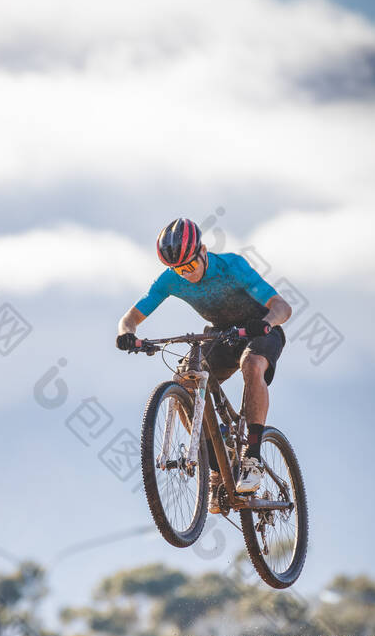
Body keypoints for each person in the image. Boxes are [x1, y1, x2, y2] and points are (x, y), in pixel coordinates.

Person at [116, 217, 292, 511]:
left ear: (203, 251)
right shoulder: (170, 280)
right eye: (178, 269)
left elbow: (282, 307)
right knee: (184, 380)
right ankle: (216, 463)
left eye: (189, 266)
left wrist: (265, 323)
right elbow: (130, 318)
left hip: (259, 329)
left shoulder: (232, 267)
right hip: (222, 335)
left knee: (252, 365)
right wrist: (127, 335)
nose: (186, 273)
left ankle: (253, 455)